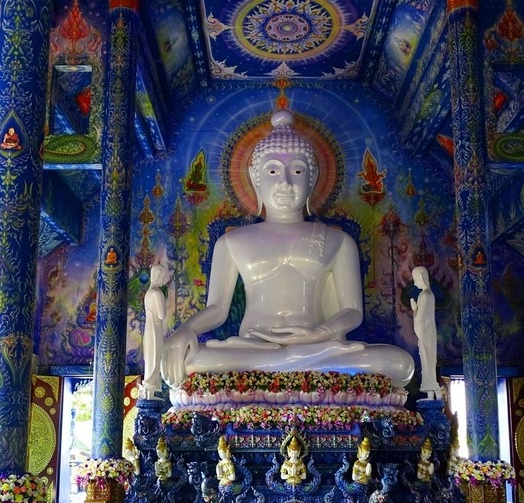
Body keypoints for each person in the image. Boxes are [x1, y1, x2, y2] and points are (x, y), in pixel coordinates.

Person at [161, 109, 414, 390]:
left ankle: (280, 366)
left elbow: (352, 311)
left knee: (399, 363)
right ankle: (288, 365)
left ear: (312, 178)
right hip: (252, 346)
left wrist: (319, 333)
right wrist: (185, 330)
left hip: (317, 346)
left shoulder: (338, 241)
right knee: (191, 360)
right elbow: (217, 309)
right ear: (255, 177)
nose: (285, 182)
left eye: (297, 171)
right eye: (272, 171)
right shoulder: (232, 242)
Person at [410, 266, 441, 399]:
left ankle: (435, 391)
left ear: (421, 277)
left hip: (426, 333)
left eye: (416, 279)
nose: (415, 283)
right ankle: (432, 394)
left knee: (428, 361)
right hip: (428, 332)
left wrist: (414, 309)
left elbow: (419, 317)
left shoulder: (425, 295)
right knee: (427, 361)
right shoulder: (429, 294)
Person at [140, 264, 170, 400]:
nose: (165, 279)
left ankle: (149, 388)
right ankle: (150, 387)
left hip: (149, 328)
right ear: (158, 275)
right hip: (155, 329)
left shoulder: (148, 293)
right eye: (163, 276)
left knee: (151, 357)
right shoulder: (157, 293)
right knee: (155, 356)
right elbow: (162, 315)